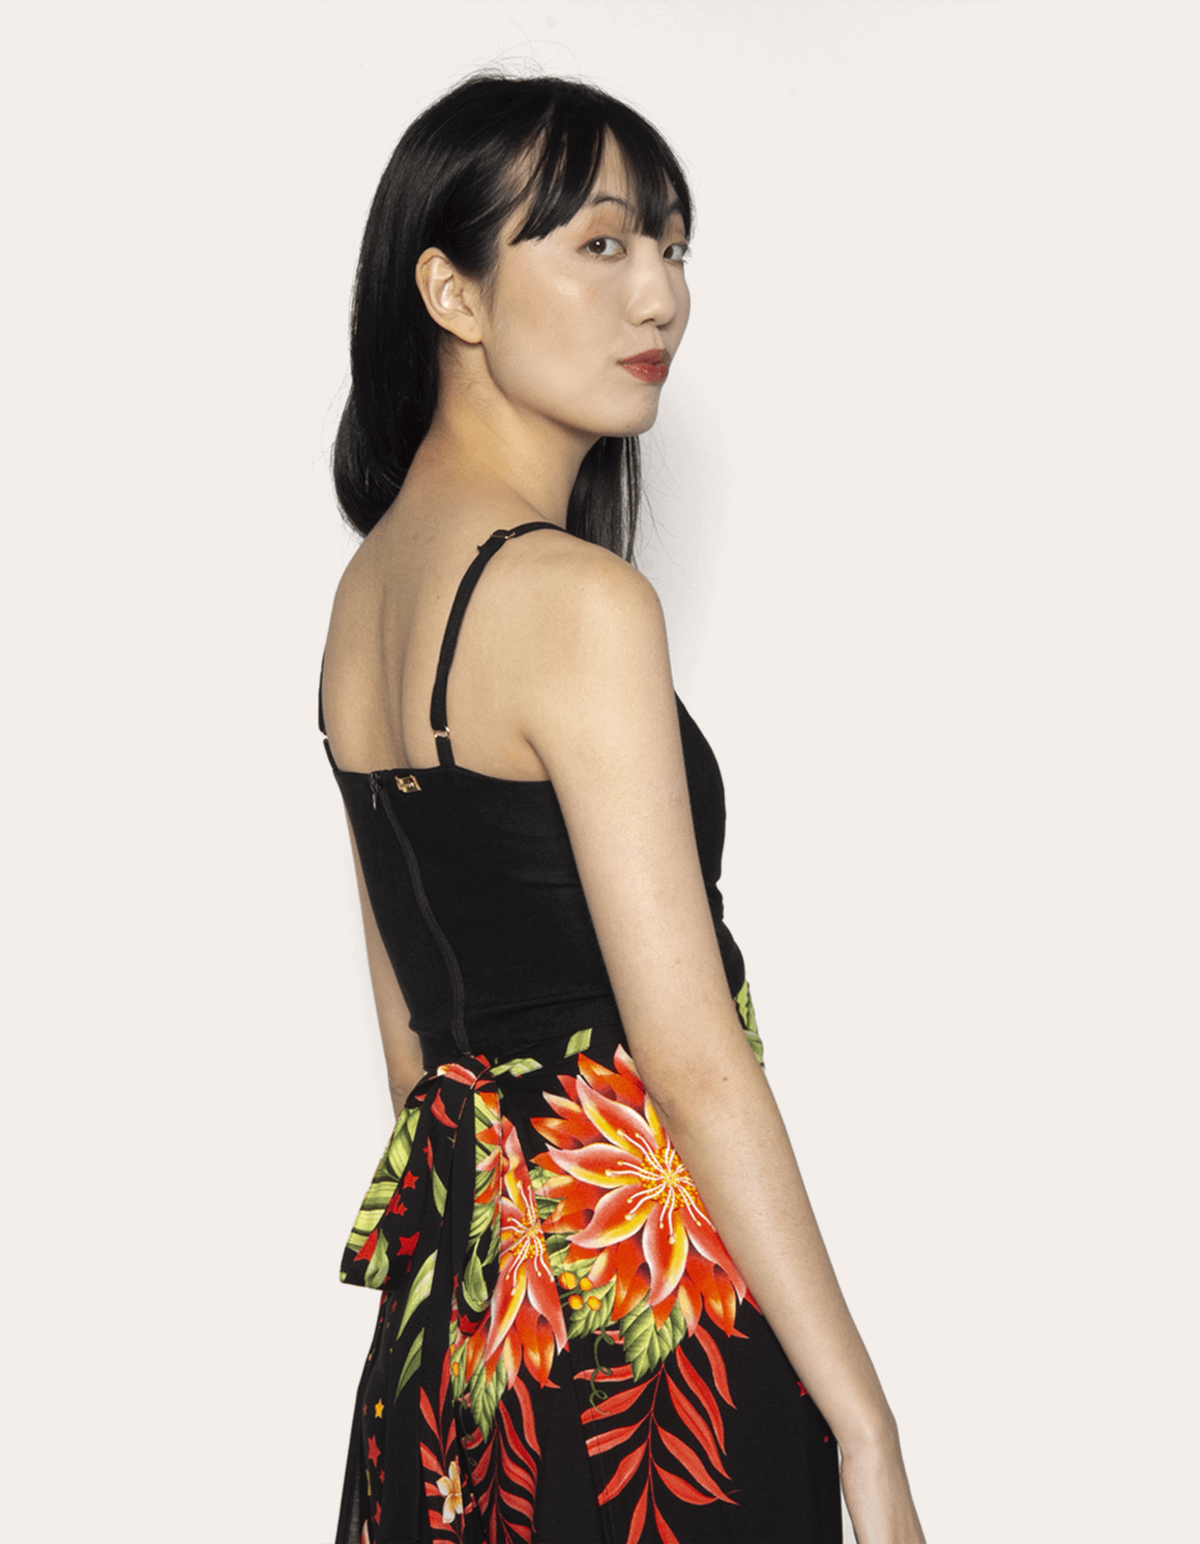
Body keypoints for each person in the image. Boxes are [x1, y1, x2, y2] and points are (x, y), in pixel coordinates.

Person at [318, 72, 925, 1544]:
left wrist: (480, 1346)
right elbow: (691, 1057)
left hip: (457, 1345)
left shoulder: (364, 594)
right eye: (598, 243)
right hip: (651, 1340)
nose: (659, 296)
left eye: (670, 246)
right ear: (452, 294)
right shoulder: (577, 602)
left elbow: (417, 1060)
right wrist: (865, 1427)